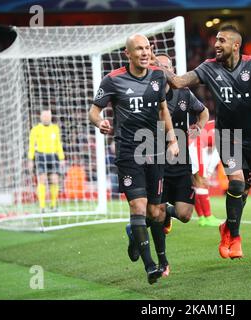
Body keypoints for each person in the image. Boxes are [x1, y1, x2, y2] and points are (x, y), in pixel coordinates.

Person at [152, 25, 251, 259]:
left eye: (221, 40)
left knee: (243, 194)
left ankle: (227, 228)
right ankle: (235, 240)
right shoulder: (209, 68)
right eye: (215, 40)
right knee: (236, 185)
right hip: (227, 135)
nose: (216, 44)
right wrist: (157, 66)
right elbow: (177, 82)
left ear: (235, 45)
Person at [89, 34, 179, 285]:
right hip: (129, 153)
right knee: (137, 207)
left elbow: (163, 109)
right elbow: (94, 111)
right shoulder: (112, 80)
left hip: (155, 150)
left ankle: (143, 244)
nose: (144, 52)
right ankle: (150, 266)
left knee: (155, 211)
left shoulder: (158, 76)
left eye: (147, 48)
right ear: (127, 54)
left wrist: (172, 139)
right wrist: (100, 122)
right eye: (139, 49)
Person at [142, 53, 209, 277]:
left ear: (172, 69)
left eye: (166, 67)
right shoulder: (146, 94)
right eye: (158, 66)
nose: (163, 70)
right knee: (157, 213)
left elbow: (203, 112)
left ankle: (157, 216)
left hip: (180, 163)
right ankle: (163, 262)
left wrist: (199, 126)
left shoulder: (183, 93)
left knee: (185, 215)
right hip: (157, 162)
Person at [28, 109, 65, 213]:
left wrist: (61, 158)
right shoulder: (35, 129)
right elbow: (31, 145)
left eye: (48, 116)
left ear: (50, 117)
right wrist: (30, 159)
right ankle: (42, 206)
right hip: (40, 156)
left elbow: (59, 144)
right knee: (42, 180)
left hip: (53, 156)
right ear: (41, 117)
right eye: (44, 116)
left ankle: (53, 205)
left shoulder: (55, 128)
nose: (46, 118)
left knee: (54, 179)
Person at [190, 120, 222, 227]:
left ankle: (202, 217)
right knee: (201, 182)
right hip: (196, 148)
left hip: (190, 146)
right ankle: (208, 217)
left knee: (195, 185)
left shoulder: (214, 124)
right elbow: (213, 146)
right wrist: (207, 172)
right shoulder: (221, 128)